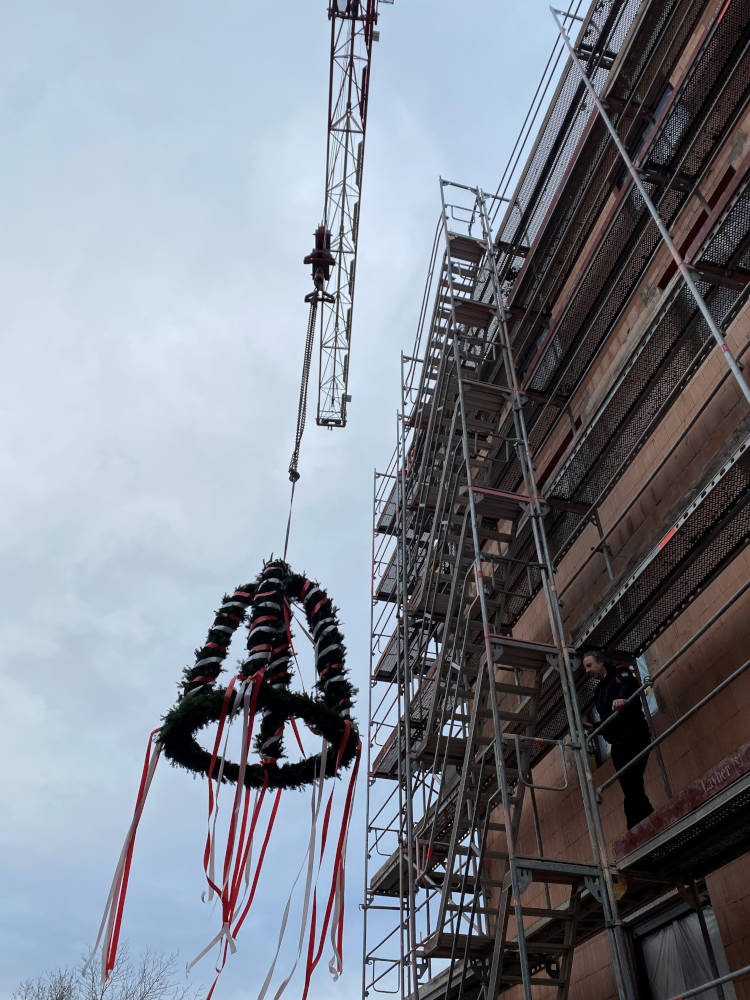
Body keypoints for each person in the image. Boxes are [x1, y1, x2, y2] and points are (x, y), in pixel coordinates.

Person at [582, 650, 654, 830]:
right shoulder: (599, 692)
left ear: (601, 662)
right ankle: (644, 822)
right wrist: (595, 727)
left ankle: (639, 825)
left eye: (589, 665)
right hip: (618, 745)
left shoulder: (620, 674)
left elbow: (630, 687)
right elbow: (608, 719)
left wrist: (623, 698)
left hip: (634, 736)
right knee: (631, 787)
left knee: (633, 784)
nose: (587, 670)